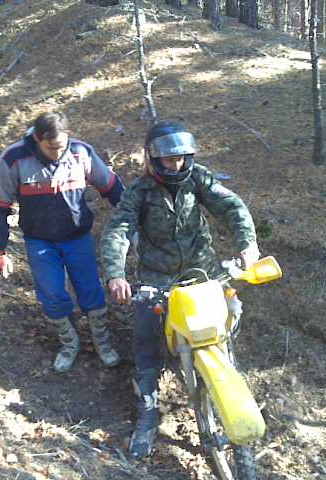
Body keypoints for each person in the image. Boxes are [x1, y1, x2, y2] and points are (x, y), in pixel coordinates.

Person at [100, 120, 261, 459]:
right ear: (153, 159)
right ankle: (147, 414)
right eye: (168, 160)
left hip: (205, 271)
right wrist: (116, 274)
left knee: (231, 314)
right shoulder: (139, 192)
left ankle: (226, 374)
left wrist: (247, 244)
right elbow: (119, 230)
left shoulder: (198, 178)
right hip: (158, 279)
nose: (175, 165)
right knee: (146, 339)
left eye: (181, 158)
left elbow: (231, 206)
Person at [0, 111, 124, 373]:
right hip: (40, 241)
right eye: (51, 148)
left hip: (78, 236)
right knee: (52, 293)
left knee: (91, 290)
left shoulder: (81, 152)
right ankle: (69, 343)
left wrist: (134, 218)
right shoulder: (14, 159)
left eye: (62, 146)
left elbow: (111, 186)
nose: (58, 153)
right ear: (37, 139)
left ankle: (102, 341)